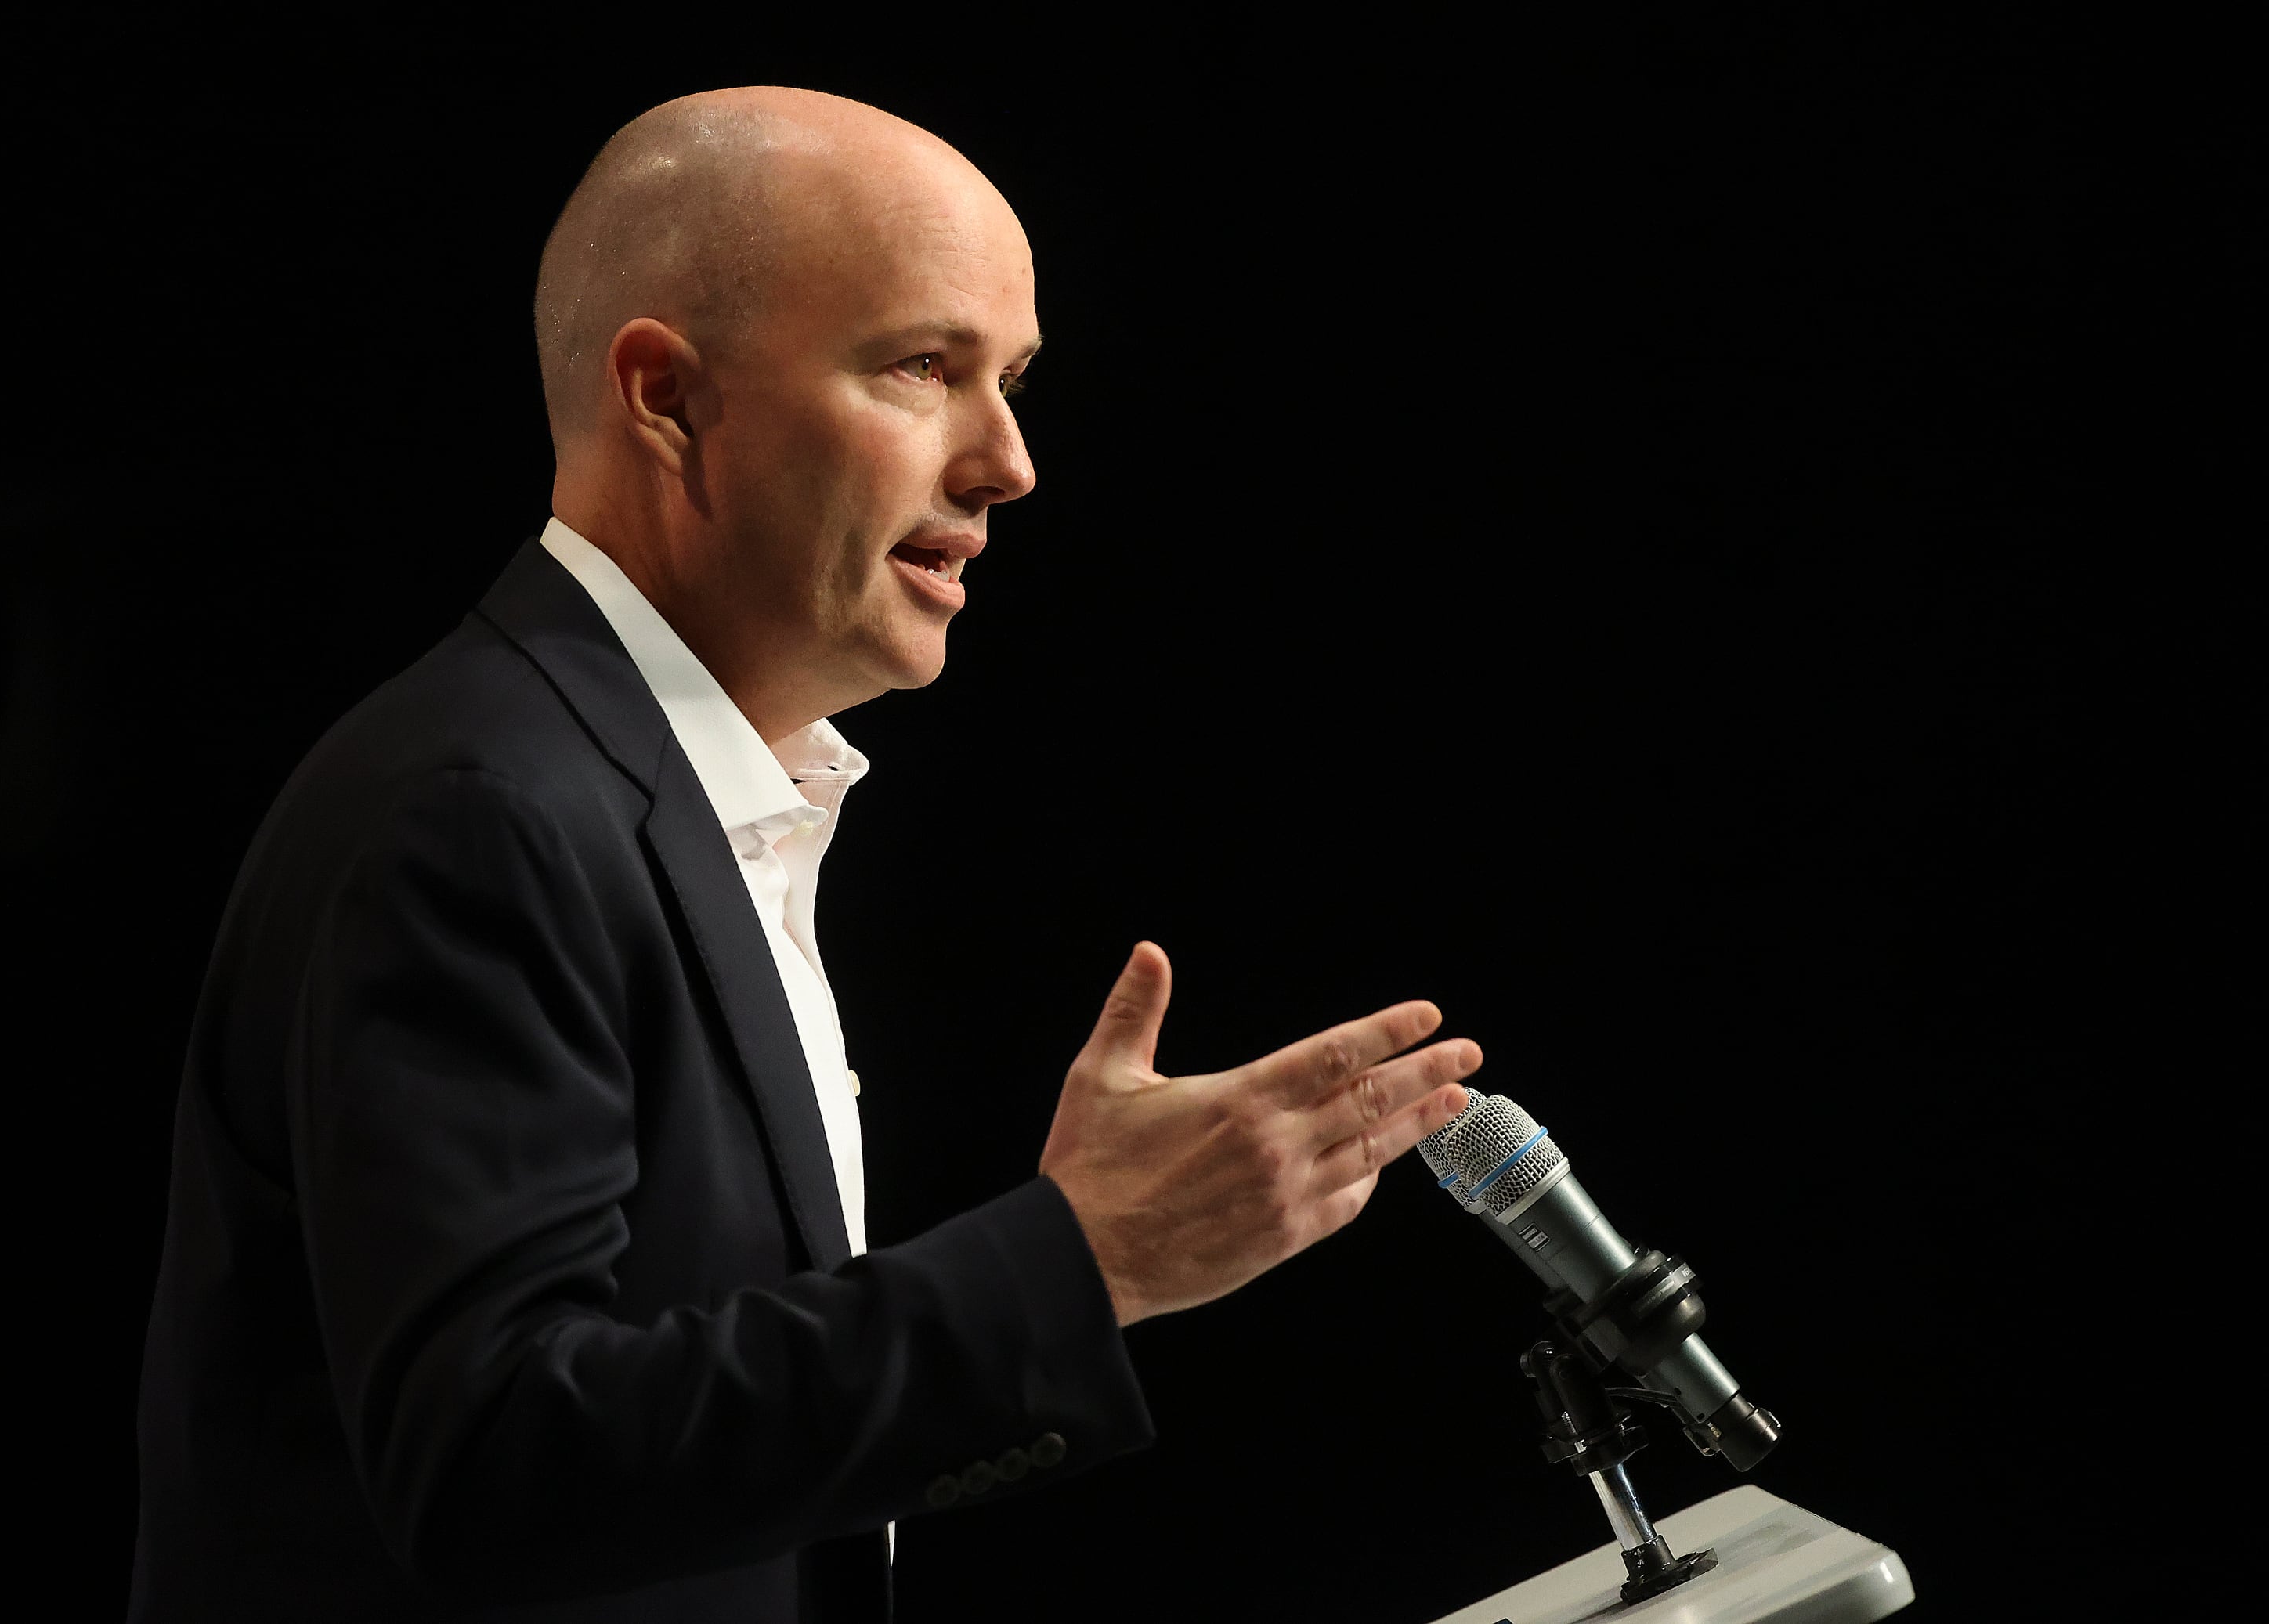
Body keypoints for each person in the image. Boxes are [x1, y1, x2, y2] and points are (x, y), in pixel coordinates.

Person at [128, 86, 1481, 1623]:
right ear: (665, 398)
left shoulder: (675, 789)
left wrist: (1070, 1257)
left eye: (1017, 381)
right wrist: (1076, 1263)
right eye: (925, 367)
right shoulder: (481, 811)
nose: (1010, 463)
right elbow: (497, 1463)